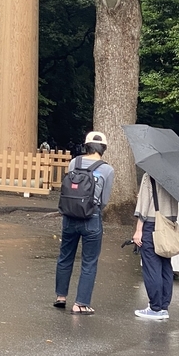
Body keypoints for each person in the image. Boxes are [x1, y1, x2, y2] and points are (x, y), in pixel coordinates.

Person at [54, 130, 115, 315]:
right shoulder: (107, 169)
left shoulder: (75, 162)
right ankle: (80, 303)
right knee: (89, 261)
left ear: (86, 145)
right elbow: (104, 199)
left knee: (65, 255)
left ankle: (61, 296)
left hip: (70, 215)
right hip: (91, 217)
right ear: (103, 148)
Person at [132, 172, 178, 320]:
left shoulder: (150, 175)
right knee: (165, 266)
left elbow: (143, 205)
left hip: (152, 224)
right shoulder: (175, 176)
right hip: (169, 224)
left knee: (151, 266)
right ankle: (164, 306)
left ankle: (155, 307)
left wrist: (139, 230)